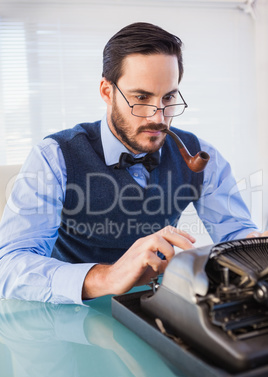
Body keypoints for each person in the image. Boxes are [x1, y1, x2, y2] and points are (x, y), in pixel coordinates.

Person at [0, 22, 266, 305]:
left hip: (158, 304)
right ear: (106, 91)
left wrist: (257, 244)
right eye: (141, 97)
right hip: (69, 311)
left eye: (169, 97)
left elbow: (235, 236)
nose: (158, 118)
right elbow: (9, 266)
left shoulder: (201, 156)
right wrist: (107, 276)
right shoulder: (53, 157)